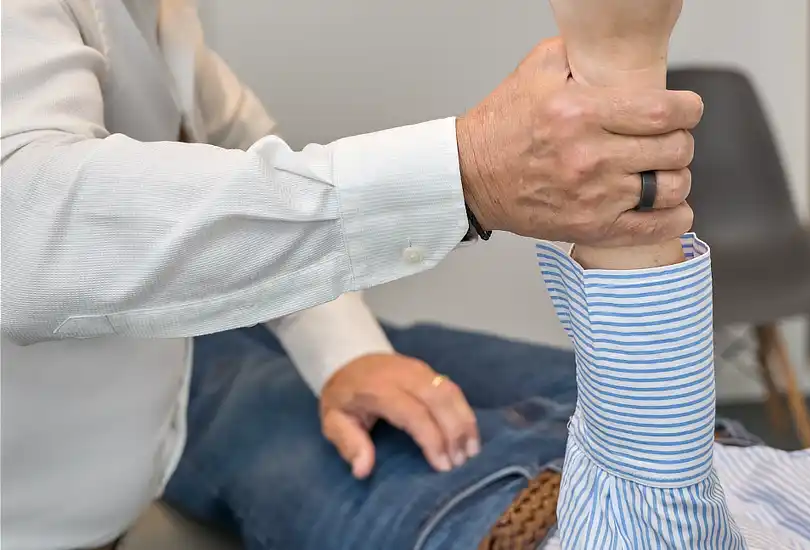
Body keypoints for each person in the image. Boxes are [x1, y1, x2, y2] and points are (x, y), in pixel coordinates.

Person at [1, 0, 705, 548]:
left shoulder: (158, 18)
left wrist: (351, 353)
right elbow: (26, 231)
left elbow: (238, 146)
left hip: (134, 428)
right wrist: (465, 174)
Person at [158, 1, 810, 550]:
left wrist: (619, 65)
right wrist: (354, 351)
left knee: (181, 373)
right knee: (386, 340)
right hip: (710, 455)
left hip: (514, 514)